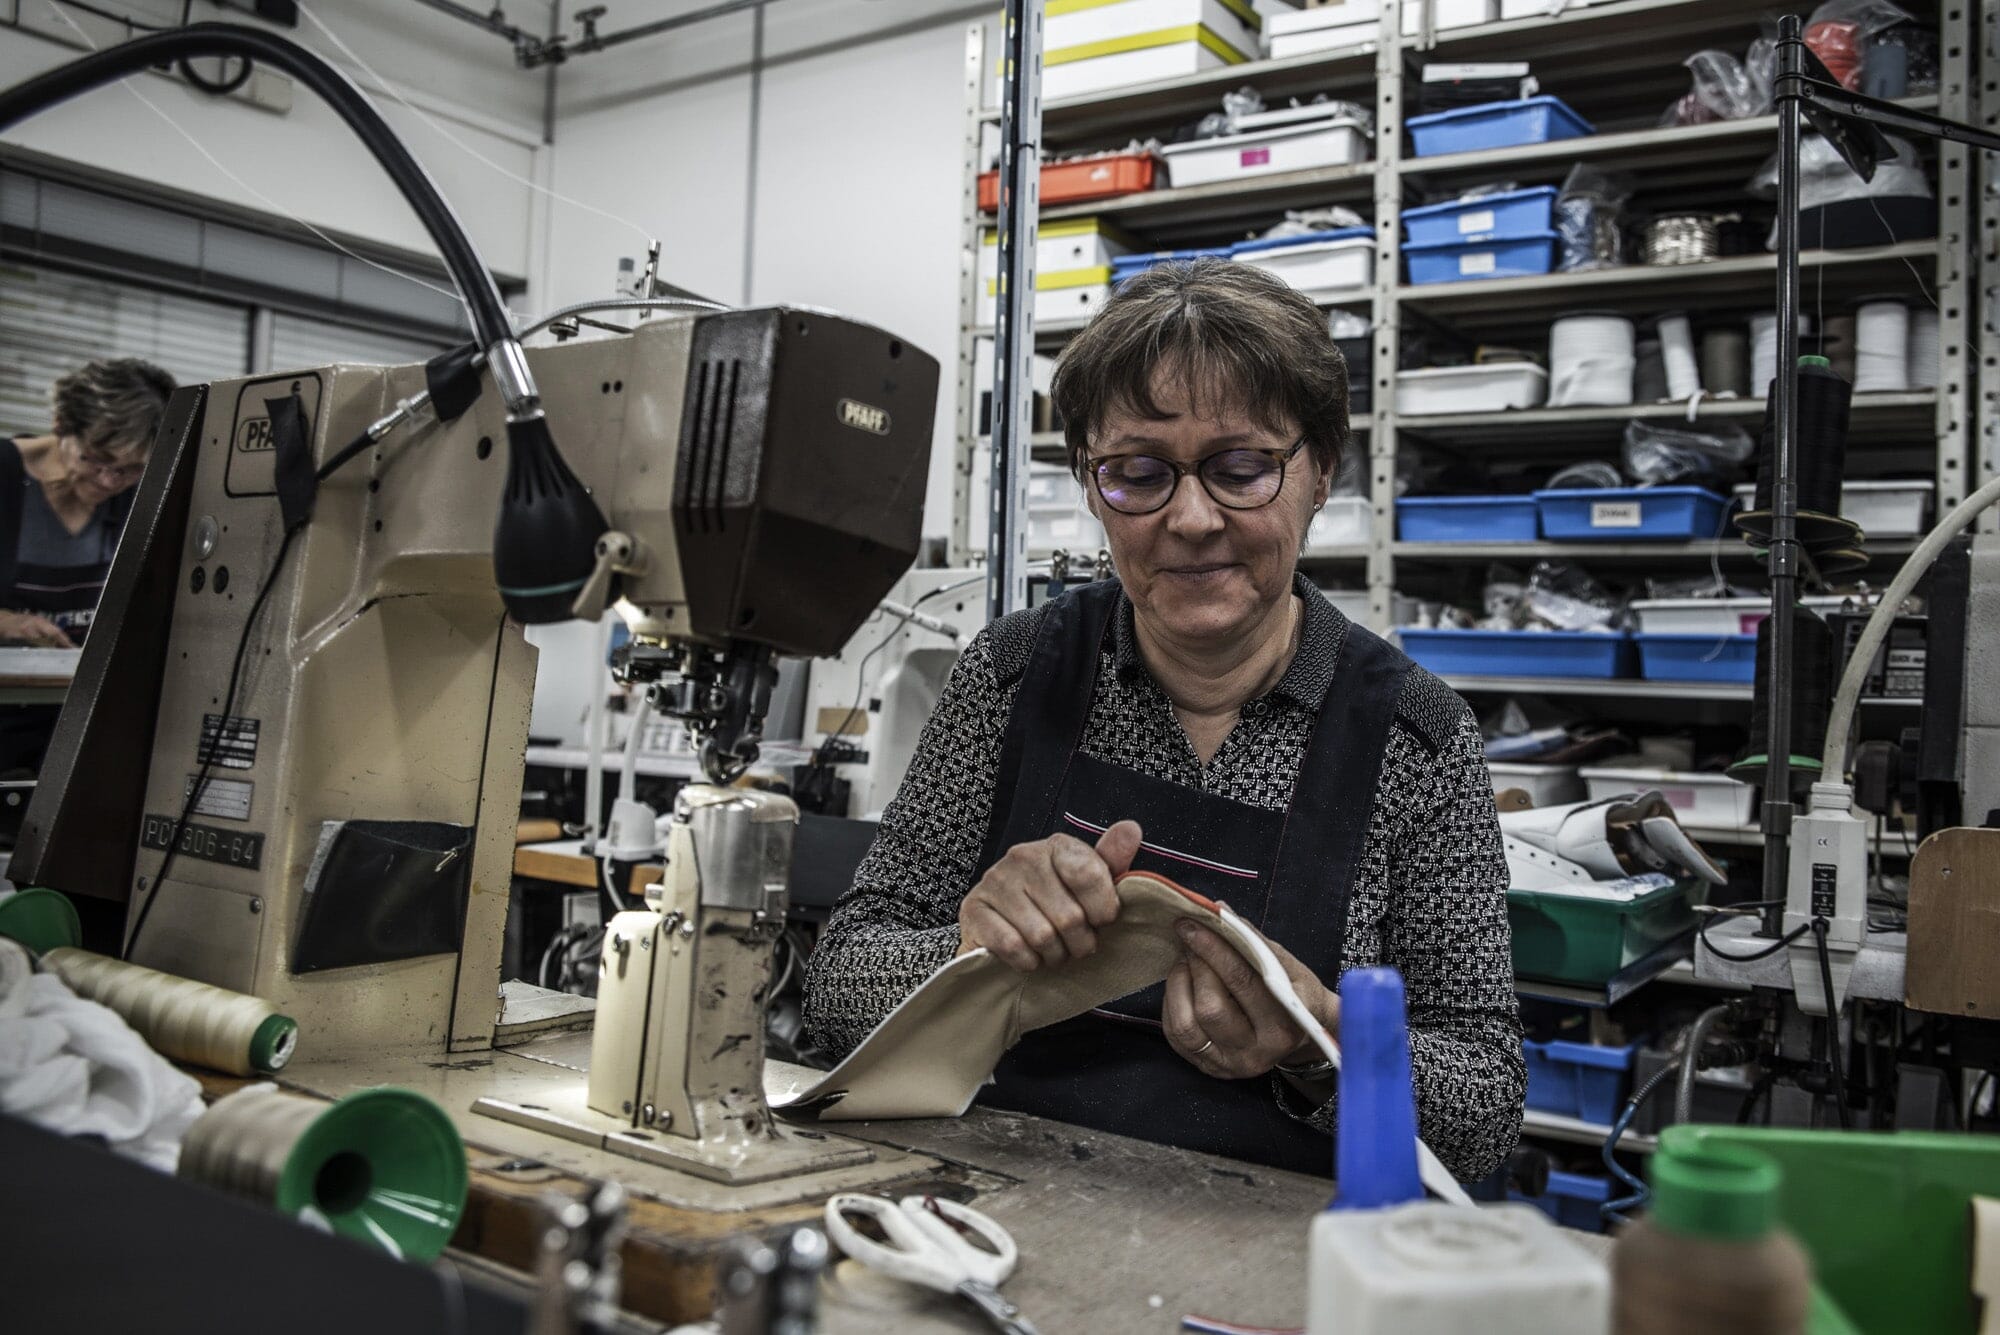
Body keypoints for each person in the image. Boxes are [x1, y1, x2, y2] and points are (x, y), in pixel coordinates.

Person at [803, 259, 1523, 1182]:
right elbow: (836, 990)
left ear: (1321, 473)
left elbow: (1487, 1111)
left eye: (1241, 468)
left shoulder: (1416, 740)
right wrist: (967, 959)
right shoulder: (1013, 677)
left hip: (1280, 1244)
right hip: (997, 1200)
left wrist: (1321, 1047)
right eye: (1137, 473)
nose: (1188, 518)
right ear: (1090, 482)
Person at [1, 357, 175, 774]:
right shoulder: (5, 475)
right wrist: (6, 623)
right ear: (61, 424)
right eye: (97, 458)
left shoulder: (137, 498)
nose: (109, 481)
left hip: (69, 723)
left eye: (130, 468)